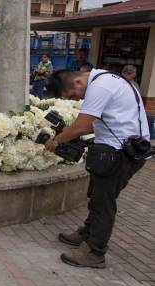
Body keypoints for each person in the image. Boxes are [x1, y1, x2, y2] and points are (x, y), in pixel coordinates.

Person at [44, 68, 150, 268]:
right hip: (119, 150)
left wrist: (56, 141)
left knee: (103, 203)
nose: (77, 99)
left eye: (74, 96)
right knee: (98, 196)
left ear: (77, 83)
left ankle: (95, 252)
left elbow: (82, 126)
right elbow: (100, 122)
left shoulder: (99, 86)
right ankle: (86, 234)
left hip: (120, 154)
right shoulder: (108, 79)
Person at [122, 65, 155, 139]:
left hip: (133, 108)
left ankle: (148, 139)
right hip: (123, 108)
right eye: (127, 73)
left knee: (149, 116)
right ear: (123, 73)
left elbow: (138, 100)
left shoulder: (135, 84)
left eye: (130, 74)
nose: (128, 76)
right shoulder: (119, 82)